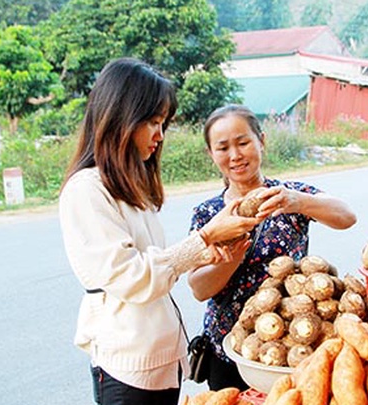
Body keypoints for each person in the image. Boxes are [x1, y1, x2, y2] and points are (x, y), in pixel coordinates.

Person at [58, 59, 261, 405]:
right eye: (152, 122)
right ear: (121, 117)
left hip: (162, 365)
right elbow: (130, 276)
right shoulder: (86, 190)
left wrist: (205, 253)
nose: (160, 134)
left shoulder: (130, 188)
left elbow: (159, 265)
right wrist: (205, 237)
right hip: (127, 371)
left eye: (162, 123)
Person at [187, 104, 357, 390]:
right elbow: (199, 289)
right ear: (211, 154)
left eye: (243, 143)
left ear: (261, 141)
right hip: (229, 349)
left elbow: (347, 217)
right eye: (223, 148)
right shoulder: (207, 214)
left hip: (292, 347)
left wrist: (297, 201)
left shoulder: (288, 195)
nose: (235, 155)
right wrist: (232, 257)